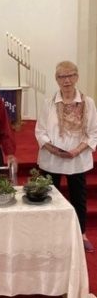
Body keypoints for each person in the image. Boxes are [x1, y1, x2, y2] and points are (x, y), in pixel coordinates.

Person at [35, 60, 97, 253]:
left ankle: (81, 233)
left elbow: (93, 132)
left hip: (77, 160)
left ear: (77, 77)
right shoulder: (49, 103)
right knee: (47, 198)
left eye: (70, 75)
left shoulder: (87, 103)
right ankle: (49, 234)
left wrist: (76, 151)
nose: (67, 80)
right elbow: (40, 131)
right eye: (62, 76)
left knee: (78, 198)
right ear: (56, 79)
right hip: (51, 159)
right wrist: (55, 150)